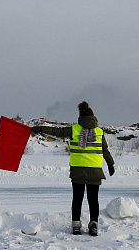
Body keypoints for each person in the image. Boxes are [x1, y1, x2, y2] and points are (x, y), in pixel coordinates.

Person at [32, 101, 115, 236]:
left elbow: (57, 132)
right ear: (94, 118)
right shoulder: (99, 132)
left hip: (78, 170)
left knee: (77, 199)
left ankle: (76, 225)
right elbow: (104, 150)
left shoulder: (75, 129)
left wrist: (41, 129)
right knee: (93, 200)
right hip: (95, 171)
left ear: (81, 117)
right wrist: (110, 164)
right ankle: (94, 224)